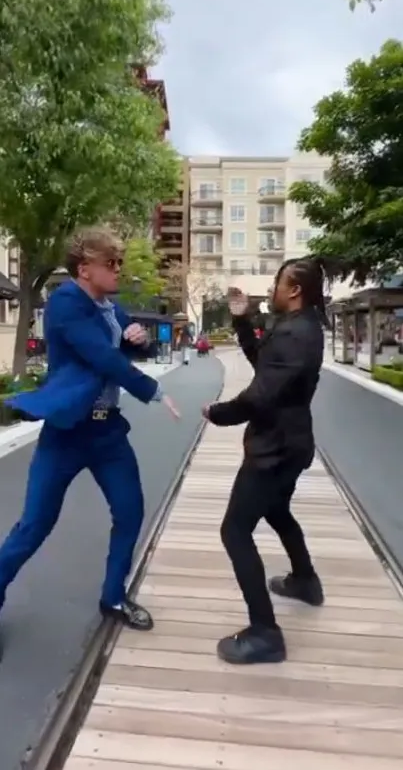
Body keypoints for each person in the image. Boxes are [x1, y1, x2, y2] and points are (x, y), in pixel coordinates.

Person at [0, 226, 180, 631]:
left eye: (120, 262)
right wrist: (151, 389)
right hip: (67, 433)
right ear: (85, 269)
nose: (119, 270)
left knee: (130, 513)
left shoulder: (112, 310)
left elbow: (130, 348)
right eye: (111, 263)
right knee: (34, 526)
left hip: (107, 433)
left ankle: (113, 598)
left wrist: (137, 341)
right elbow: (101, 357)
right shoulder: (65, 303)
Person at [202, 257, 328, 665]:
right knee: (276, 510)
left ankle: (265, 632)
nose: (272, 288)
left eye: (278, 282)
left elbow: (259, 395)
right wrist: (243, 320)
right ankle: (305, 581)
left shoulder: (297, 333)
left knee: (235, 531)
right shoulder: (299, 327)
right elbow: (265, 365)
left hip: (275, 448)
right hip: (288, 444)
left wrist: (217, 413)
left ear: (294, 290)